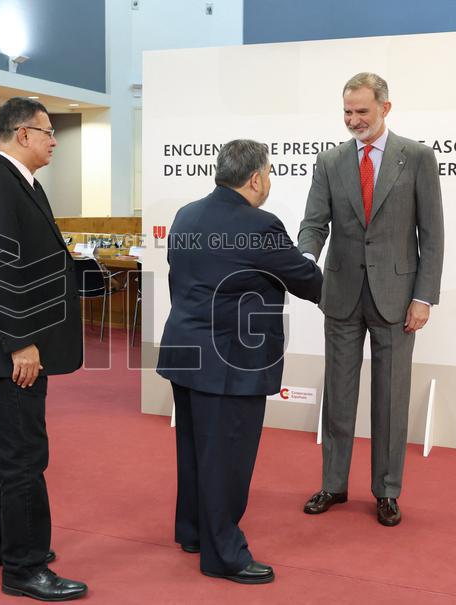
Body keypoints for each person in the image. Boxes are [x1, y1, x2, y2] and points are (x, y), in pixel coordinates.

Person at [157, 139, 323, 584]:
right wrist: (309, 258)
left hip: (185, 350)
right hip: (230, 359)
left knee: (195, 451)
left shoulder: (186, 214)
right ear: (255, 178)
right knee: (226, 458)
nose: (269, 180)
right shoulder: (261, 225)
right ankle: (223, 555)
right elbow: (307, 280)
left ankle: (194, 532)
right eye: (268, 173)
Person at [0, 97, 85, 601]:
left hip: (12, 343)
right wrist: (21, 342)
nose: (54, 141)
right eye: (48, 132)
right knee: (24, 455)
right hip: (11, 347)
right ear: (22, 134)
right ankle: (25, 567)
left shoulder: (17, 182)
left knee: (1, 448)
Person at [298, 72, 444, 527]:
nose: (353, 119)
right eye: (347, 111)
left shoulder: (417, 157)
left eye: (362, 111)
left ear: (385, 108)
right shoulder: (329, 161)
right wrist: (305, 258)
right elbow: (314, 223)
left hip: (398, 300)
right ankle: (333, 485)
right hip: (339, 295)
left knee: (390, 400)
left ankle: (386, 491)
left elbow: (432, 237)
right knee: (338, 398)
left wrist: (423, 297)